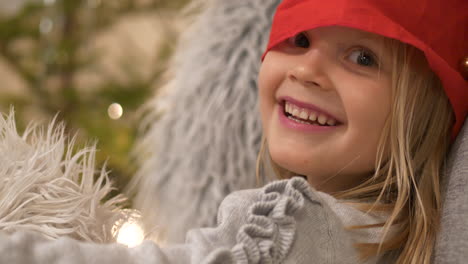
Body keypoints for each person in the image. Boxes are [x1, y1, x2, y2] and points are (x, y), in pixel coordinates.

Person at [0, 0, 466, 263]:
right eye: (298, 39)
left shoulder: (297, 228)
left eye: (362, 57)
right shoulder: (389, 237)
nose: (307, 69)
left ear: (422, 114)